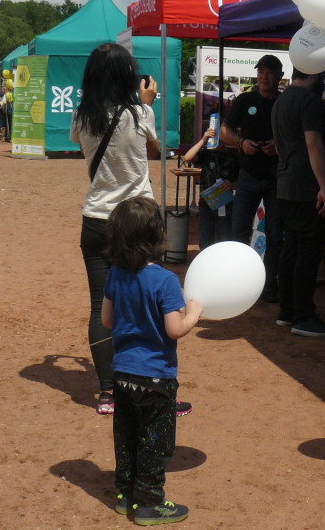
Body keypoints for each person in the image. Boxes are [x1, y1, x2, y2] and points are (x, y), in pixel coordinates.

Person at [70, 43, 160, 416]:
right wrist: (146, 103)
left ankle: (107, 392)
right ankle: (146, 382)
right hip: (137, 219)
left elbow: (86, 153)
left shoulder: (82, 117)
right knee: (146, 301)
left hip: (96, 219)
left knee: (100, 307)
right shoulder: (141, 113)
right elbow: (153, 152)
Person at [102, 196, 201, 523]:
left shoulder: (115, 274)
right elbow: (174, 329)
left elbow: (106, 320)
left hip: (122, 374)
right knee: (155, 442)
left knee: (127, 436)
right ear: (158, 235)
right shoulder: (165, 281)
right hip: (156, 377)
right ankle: (149, 502)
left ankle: (126, 494)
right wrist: (194, 314)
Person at [271, 67, 325, 337]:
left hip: (287, 185)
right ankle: (304, 316)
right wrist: (323, 185)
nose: (324, 80)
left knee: (292, 248)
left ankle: (288, 311)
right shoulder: (309, 100)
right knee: (308, 252)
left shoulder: (282, 100)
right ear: (313, 73)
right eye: (322, 75)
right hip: (307, 188)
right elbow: (313, 143)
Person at [220, 54, 284, 303]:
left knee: (276, 235)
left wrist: (279, 146)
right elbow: (224, 131)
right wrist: (241, 142)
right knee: (239, 232)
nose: (263, 77)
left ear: (280, 76)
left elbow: (300, 136)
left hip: (277, 178)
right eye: (260, 72)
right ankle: (240, 284)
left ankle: (269, 286)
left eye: (269, 72)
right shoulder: (246, 100)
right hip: (248, 177)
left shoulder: (284, 102)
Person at [182, 125, 238, 249]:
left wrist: (231, 184)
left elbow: (240, 181)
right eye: (216, 138)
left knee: (224, 236)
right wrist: (203, 140)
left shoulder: (233, 158)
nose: (219, 142)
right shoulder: (207, 154)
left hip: (225, 202)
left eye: (221, 139)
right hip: (206, 202)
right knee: (206, 238)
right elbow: (187, 158)